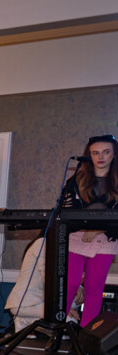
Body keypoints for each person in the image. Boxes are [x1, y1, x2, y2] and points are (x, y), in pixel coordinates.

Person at [61, 135, 118, 326]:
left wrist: (98, 231)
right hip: (78, 235)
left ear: (114, 154)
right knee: (69, 283)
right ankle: (59, 327)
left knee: (94, 288)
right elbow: (67, 210)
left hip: (106, 238)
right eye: (95, 153)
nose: (100, 156)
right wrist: (86, 227)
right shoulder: (77, 179)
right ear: (89, 155)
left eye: (106, 152)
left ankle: (87, 336)